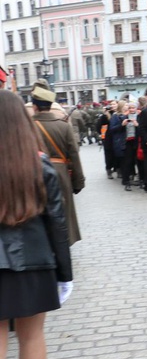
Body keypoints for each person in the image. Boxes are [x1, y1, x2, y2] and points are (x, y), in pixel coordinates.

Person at [0, 90, 73, 359]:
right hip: (35, 261)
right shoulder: (39, 166)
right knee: (32, 338)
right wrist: (65, 274)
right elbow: (58, 222)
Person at [31, 87, 86, 245]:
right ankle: (64, 242)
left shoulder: (29, 125)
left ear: (35, 106)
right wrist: (78, 182)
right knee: (64, 211)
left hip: (36, 172)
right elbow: (74, 155)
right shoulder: (63, 126)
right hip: (61, 173)